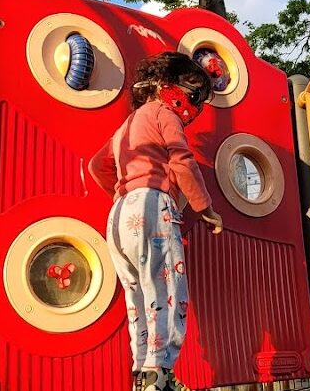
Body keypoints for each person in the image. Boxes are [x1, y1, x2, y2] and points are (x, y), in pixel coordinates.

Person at [89, 51, 224, 391]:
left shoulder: (126, 127)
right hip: (153, 205)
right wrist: (205, 207)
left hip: (119, 215)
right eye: (195, 94)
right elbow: (181, 159)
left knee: (136, 296)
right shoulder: (165, 113)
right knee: (166, 291)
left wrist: (126, 194)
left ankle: (142, 372)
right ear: (169, 86)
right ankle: (160, 373)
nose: (195, 107)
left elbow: (96, 165)